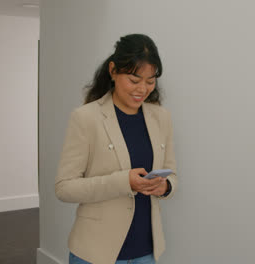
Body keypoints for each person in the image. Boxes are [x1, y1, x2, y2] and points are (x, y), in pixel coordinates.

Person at [55, 33, 178, 264]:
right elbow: (64, 188)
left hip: (146, 251)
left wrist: (166, 186)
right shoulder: (85, 118)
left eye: (150, 81)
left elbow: (171, 172)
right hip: (95, 252)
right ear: (113, 71)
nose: (142, 89)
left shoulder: (161, 117)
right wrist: (124, 182)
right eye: (134, 80)